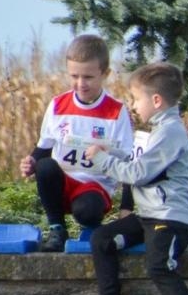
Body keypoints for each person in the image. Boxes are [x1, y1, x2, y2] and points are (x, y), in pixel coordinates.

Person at [79, 62, 188, 295]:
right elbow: (135, 157)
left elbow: (138, 173)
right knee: (101, 239)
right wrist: (110, 150)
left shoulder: (171, 132)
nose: (134, 107)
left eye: (137, 99)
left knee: (159, 267)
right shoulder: (159, 131)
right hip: (151, 216)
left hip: (170, 219)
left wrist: (101, 159)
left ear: (157, 100)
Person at [20, 34, 133, 253]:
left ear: (105, 74)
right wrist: (31, 160)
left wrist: (126, 208)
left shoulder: (116, 112)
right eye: (74, 76)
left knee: (87, 210)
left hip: (95, 186)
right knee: (45, 167)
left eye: (88, 77)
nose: (81, 84)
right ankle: (57, 229)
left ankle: (92, 231)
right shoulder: (57, 105)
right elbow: (44, 147)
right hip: (64, 181)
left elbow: (129, 162)